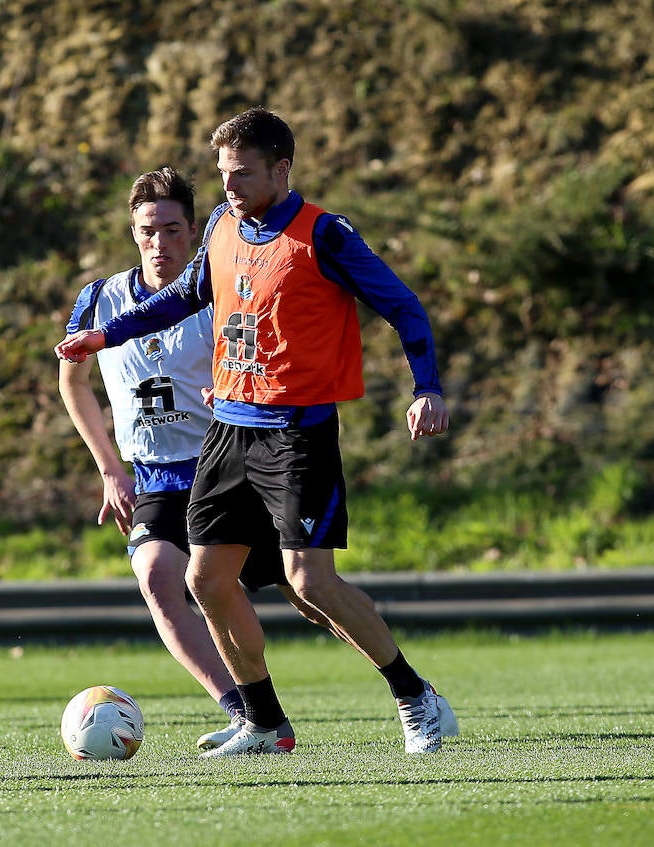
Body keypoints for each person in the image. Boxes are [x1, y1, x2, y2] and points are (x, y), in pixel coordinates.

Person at [56, 107, 459, 756]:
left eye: (241, 174)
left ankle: (416, 696)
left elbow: (403, 305)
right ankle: (264, 721)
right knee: (206, 580)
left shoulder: (324, 235)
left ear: (281, 170)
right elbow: (182, 295)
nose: (228, 188)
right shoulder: (219, 223)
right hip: (230, 432)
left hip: (297, 435)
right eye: (222, 174)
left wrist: (427, 387)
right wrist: (108, 333)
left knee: (311, 585)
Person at [59, 166, 280, 751]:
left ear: (194, 232)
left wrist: (228, 392)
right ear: (134, 232)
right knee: (159, 578)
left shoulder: (221, 291)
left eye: (173, 229)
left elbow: (254, 365)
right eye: (147, 230)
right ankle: (247, 714)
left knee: (304, 592)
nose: (160, 243)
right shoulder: (100, 299)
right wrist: (109, 467)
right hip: (155, 477)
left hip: (227, 468)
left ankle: (408, 688)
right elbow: (73, 383)